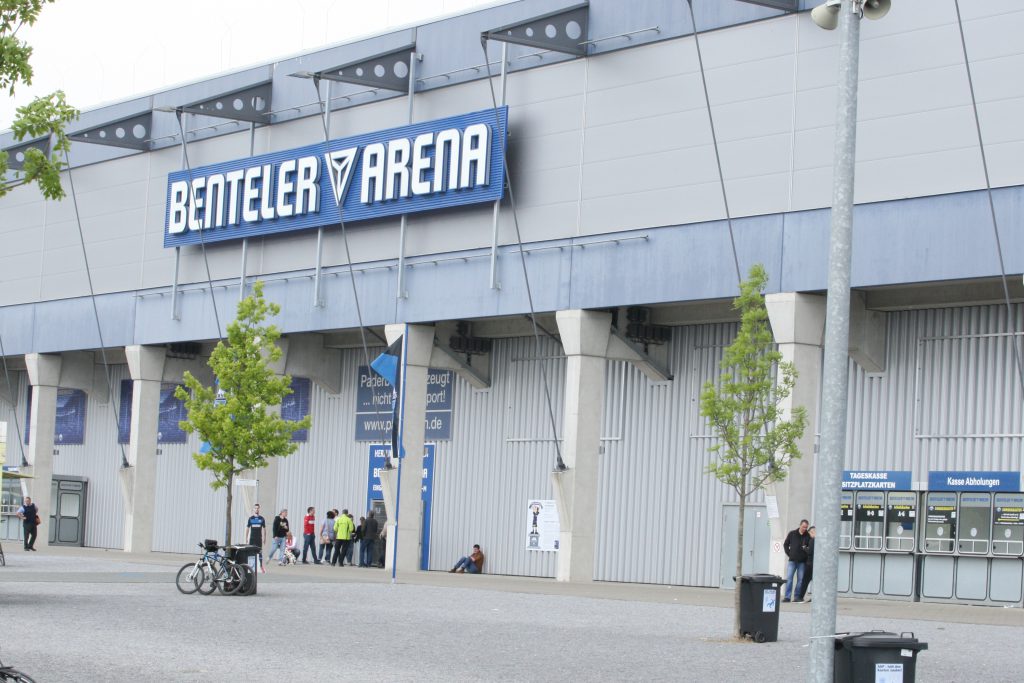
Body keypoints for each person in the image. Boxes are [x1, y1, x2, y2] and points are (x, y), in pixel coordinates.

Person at [782, 519, 810, 602]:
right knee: (789, 579)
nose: (804, 528)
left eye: (806, 527)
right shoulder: (792, 534)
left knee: (800, 580)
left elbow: (810, 548)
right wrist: (789, 554)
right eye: (803, 527)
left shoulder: (807, 535)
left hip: (802, 562)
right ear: (800, 525)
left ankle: (797, 597)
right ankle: (787, 597)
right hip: (792, 561)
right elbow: (785, 544)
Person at [245, 503, 267, 574]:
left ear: (259, 509)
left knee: (260, 552)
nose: (256, 509)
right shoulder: (250, 518)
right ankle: (251, 567)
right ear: (253, 509)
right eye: (255, 508)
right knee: (251, 553)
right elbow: (247, 528)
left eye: (258, 508)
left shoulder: (262, 519)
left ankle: (261, 566)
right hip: (252, 538)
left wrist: (264, 538)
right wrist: (246, 538)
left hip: (259, 539)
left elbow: (264, 529)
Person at [797, 526, 816, 603]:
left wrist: (805, 548)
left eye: (810, 533)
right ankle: (814, 597)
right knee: (816, 582)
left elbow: (810, 552)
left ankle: (800, 597)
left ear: (812, 532)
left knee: (805, 581)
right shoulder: (820, 541)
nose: (810, 535)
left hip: (809, 564)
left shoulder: (812, 540)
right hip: (816, 564)